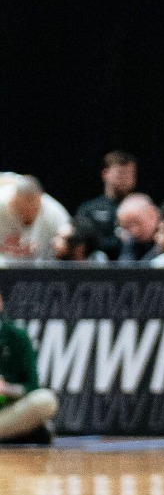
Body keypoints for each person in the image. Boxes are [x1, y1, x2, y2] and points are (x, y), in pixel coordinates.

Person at [0, 280, 55, 443]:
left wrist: (7, 389)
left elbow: (33, 385)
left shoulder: (17, 336)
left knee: (45, 400)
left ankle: (14, 431)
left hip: (9, 410)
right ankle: (23, 432)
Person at [0, 174, 70, 263]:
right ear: (12, 202)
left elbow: (71, 244)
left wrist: (65, 246)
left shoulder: (54, 213)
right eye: (21, 210)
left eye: (33, 209)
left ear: (40, 202)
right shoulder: (2, 203)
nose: (27, 214)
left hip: (40, 272)